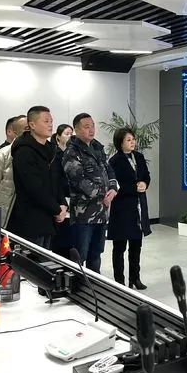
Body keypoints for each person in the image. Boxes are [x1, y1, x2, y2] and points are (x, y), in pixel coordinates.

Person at [63, 113, 118, 273]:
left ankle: (94, 283)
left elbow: (109, 170)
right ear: (76, 129)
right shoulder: (72, 152)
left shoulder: (97, 148)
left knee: (96, 253)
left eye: (92, 126)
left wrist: (113, 189)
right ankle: (79, 284)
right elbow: (78, 180)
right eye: (86, 127)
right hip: (84, 214)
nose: (91, 129)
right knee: (80, 255)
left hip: (102, 212)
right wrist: (103, 195)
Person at [8, 106, 68, 248]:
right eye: (46, 121)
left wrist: (63, 204)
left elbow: (57, 180)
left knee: (46, 258)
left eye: (51, 121)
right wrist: (56, 209)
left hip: (49, 218)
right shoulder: (24, 151)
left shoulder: (51, 149)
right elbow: (34, 188)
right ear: (32, 125)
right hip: (31, 220)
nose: (50, 125)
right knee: (32, 260)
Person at [108, 128, 151, 290]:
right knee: (119, 247)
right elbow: (115, 184)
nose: (132, 142)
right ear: (120, 142)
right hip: (122, 208)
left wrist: (144, 183)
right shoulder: (114, 161)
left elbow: (146, 175)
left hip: (138, 206)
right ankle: (119, 281)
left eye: (133, 139)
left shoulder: (138, 156)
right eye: (128, 140)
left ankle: (135, 278)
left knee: (136, 245)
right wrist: (134, 187)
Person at [0, 115, 28, 227]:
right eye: (26, 128)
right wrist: (5, 199)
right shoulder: (1, 154)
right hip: (11, 213)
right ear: (13, 131)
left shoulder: (41, 154)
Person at [50, 124, 74, 258]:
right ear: (58, 137)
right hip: (61, 198)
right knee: (61, 239)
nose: (70, 136)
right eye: (66, 134)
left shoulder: (73, 153)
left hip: (73, 198)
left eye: (71, 134)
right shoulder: (54, 154)